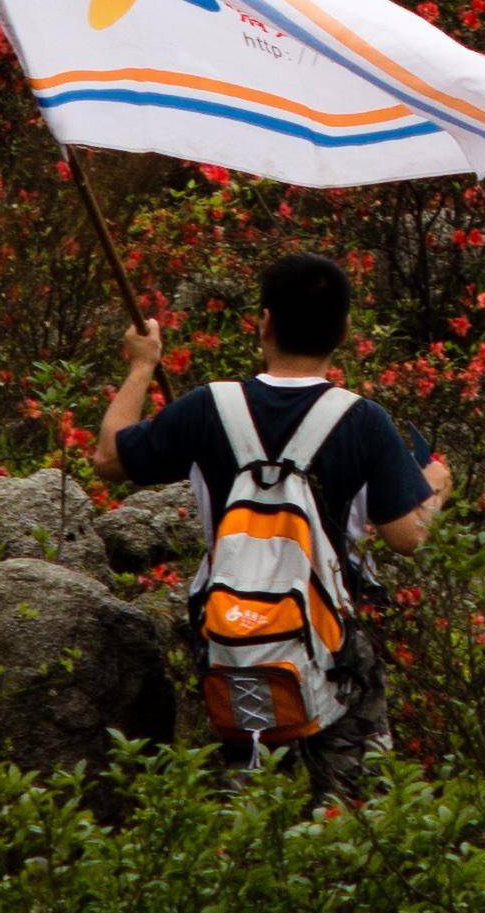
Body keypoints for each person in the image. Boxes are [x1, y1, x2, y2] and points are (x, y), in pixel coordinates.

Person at [99, 251, 448, 796]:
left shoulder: (208, 406)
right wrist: (437, 487)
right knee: (355, 808)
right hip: (332, 646)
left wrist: (142, 364)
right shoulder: (364, 420)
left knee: (253, 796)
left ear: (264, 322)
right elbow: (407, 536)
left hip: (234, 637)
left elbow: (110, 458)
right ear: (345, 330)